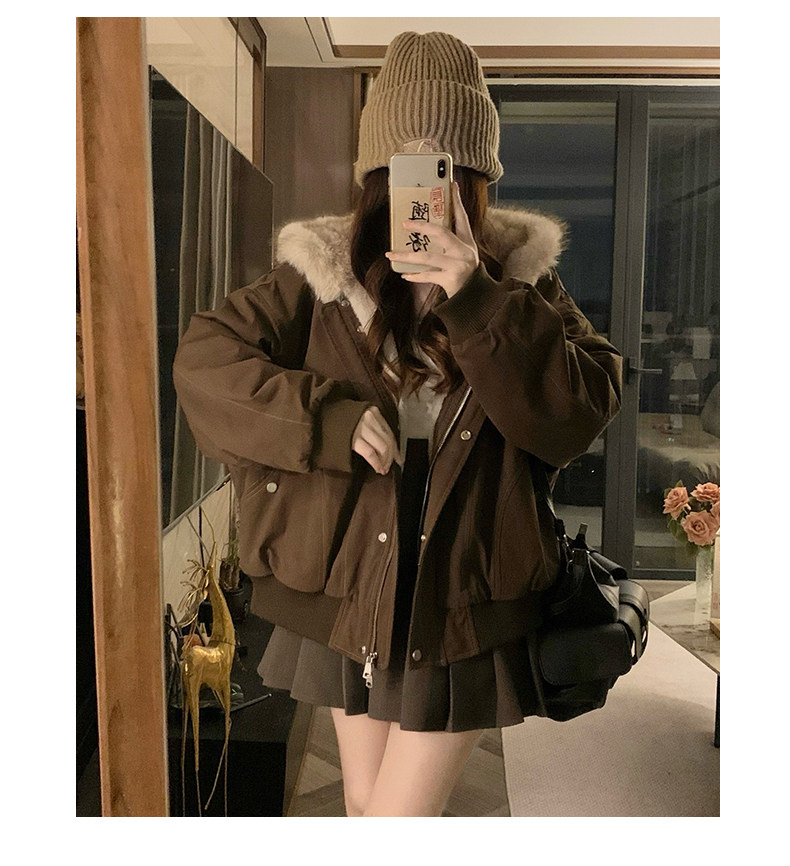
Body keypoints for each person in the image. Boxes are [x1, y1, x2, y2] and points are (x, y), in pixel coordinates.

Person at [172, 31, 622, 817]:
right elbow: (205, 362)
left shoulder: (522, 287)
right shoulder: (321, 276)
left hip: (463, 592)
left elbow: (574, 414)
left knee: (394, 820)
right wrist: (325, 420)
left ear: (473, 176)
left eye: (441, 169)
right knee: (360, 802)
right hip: (350, 583)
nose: (422, 194)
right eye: (403, 170)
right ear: (376, 173)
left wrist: (476, 296)